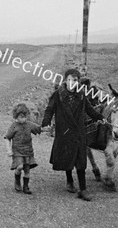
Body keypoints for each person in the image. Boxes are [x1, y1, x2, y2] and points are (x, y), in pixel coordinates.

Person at [41, 68, 105, 201]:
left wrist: (99, 117)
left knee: (81, 160)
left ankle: (83, 190)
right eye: (69, 79)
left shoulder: (81, 95)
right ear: (65, 80)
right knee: (68, 158)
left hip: (79, 132)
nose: (72, 82)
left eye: (75, 80)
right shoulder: (58, 95)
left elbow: (89, 109)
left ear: (78, 82)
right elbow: (49, 109)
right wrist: (46, 122)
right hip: (64, 131)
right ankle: (69, 181)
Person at [4, 103, 42, 194]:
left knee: (27, 170)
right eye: (21, 117)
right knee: (20, 166)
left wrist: (47, 128)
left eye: (25, 116)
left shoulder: (28, 125)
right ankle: (17, 180)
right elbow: (7, 138)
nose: (23, 119)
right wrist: (9, 150)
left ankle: (26, 186)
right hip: (18, 151)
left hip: (28, 151)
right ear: (16, 116)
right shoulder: (14, 126)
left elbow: (38, 129)